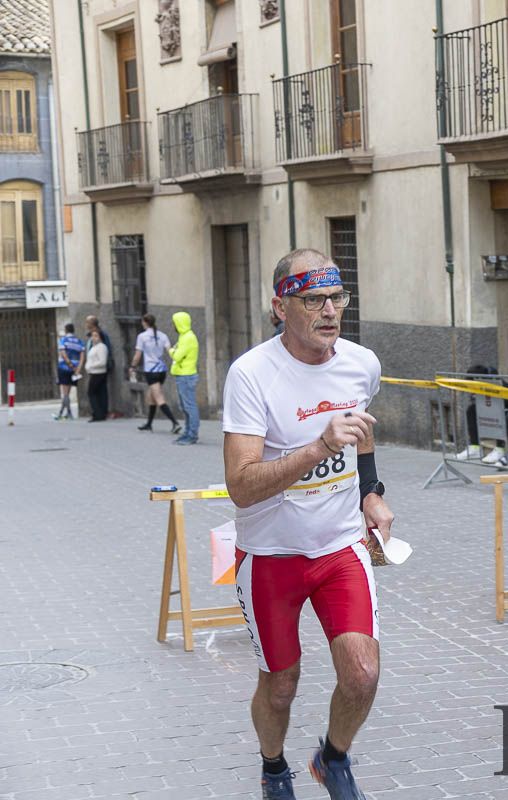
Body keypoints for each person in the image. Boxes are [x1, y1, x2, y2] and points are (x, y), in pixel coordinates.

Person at [223, 248, 393, 800]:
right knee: (280, 687)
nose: (329, 311)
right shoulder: (250, 374)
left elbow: (360, 432)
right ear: (280, 306)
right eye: (313, 300)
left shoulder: (361, 363)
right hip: (270, 555)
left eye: (336, 298)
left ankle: (333, 758)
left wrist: (371, 492)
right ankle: (274, 768)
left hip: (339, 547)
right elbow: (242, 486)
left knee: (362, 674)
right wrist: (318, 445)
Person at [131, 313, 181, 434]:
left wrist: (133, 366)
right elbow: (170, 350)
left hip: (151, 370)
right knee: (151, 397)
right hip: (161, 370)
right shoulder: (162, 336)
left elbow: (138, 355)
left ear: (145, 322)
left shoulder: (142, 336)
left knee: (158, 398)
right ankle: (149, 424)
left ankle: (175, 422)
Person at [170, 311, 200, 445]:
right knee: (185, 406)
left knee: (189, 406)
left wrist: (170, 350)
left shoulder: (188, 338)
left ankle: (192, 434)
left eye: (175, 323)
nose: (173, 326)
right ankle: (187, 432)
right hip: (182, 375)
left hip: (186, 376)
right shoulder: (184, 336)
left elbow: (177, 355)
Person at [54, 323, 85, 420]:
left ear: (66, 330)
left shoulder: (63, 340)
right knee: (69, 390)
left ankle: (69, 413)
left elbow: (63, 354)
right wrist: (77, 369)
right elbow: (82, 357)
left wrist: (70, 365)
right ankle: (61, 413)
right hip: (75, 370)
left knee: (65, 393)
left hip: (64, 368)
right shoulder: (79, 341)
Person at [83, 329, 109, 422]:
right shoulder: (94, 347)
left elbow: (102, 362)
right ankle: (100, 413)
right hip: (94, 372)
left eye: (96, 336)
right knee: (98, 393)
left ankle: (97, 413)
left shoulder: (102, 347)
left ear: (100, 337)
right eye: (92, 336)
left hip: (98, 373)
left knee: (91, 393)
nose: (93, 338)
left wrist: (90, 366)